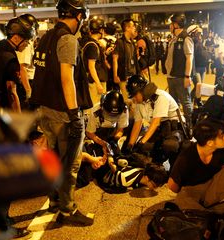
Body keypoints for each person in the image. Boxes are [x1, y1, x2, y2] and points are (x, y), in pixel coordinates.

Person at [30, 0, 93, 226]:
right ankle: (67, 210)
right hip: (63, 113)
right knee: (70, 163)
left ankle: (54, 198)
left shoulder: (46, 36)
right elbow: (67, 79)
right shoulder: (67, 39)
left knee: (53, 158)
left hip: (45, 110)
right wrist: (75, 114)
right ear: (78, 16)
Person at [167, 119, 224, 237]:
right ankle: (215, 222)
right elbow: (172, 186)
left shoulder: (220, 152)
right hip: (191, 194)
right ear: (210, 142)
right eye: (222, 136)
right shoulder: (186, 157)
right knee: (182, 199)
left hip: (211, 189)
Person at [125, 75, 182, 165]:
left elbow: (155, 123)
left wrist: (141, 142)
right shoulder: (140, 103)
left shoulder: (160, 97)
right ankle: (156, 166)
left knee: (169, 145)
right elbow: (137, 124)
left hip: (175, 128)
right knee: (145, 149)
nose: (134, 99)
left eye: (135, 95)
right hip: (161, 129)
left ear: (142, 90)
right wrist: (130, 145)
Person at [0, 16, 35, 112]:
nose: (27, 44)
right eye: (26, 40)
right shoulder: (11, 60)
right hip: (1, 105)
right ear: (16, 38)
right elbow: (12, 94)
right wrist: (18, 119)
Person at [165, 13, 194, 128]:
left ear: (175, 25)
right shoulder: (174, 39)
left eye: (171, 24)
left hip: (181, 77)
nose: (170, 26)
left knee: (185, 102)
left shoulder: (186, 38)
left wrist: (187, 76)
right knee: (173, 103)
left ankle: (190, 124)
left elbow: (189, 59)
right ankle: (177, 124)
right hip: (171, 76)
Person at [85, 90, 128, 160]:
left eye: (115, 115)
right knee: (100, 157)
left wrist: (114, 140)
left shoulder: (124, 110)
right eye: (109, 114)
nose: (111, 118)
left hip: (113, 133)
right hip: (97, 134)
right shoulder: (96, 112)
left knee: (117, 155)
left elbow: (120, 129)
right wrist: (102, 143)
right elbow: (89, 132)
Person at [80, 18, 109, 104]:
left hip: (96, 81)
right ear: (101, 30)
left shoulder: (91, 43)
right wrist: (98, 84)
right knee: (95, 108)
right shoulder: (92, 46)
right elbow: (91, 67)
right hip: (95, 83)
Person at [112, 19, 139, 102]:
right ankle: (128, 115)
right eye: (133, 26)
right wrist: (115, 75)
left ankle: (133, 115)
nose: (135, 28)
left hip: (133, 75)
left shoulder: (132, 42)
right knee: (127, 99)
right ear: (127, 28)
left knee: (135, 99)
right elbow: (115, 59)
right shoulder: (119, 42)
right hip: (124, 76)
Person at [16, 13, 39, 109]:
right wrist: (28, 91)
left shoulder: (22, 42)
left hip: (26, 82)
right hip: (27, 82)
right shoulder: (26, 44)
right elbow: (22, 68)